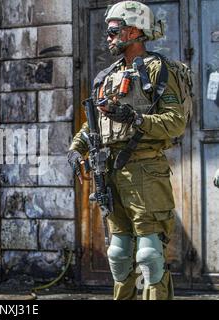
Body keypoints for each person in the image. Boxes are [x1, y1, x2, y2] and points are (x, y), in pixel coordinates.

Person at [68, 1, 188, 300]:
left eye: (113, 31)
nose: (108, 38)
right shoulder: (107, 76)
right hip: (109, 172)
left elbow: (175, 122)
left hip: (145, 170)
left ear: (134, 31)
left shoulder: (159, 70)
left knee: (149, 254)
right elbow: (92, 125)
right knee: (119, 253)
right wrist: (75, 150)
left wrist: (134, 118)